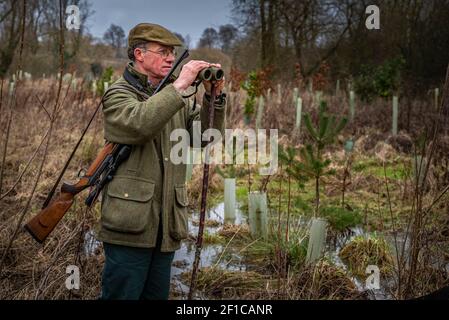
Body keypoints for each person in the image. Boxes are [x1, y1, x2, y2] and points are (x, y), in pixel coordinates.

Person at [97, 23, 226, 300]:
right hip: (129, 226)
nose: (171, 57)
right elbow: (138, 124)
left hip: (166, 225)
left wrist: (214, 98)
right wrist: (179, 86)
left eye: (173, 52)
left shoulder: (175, 98)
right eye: (163, 51)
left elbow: (205, 137)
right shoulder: (120, 94)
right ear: (139, 55)